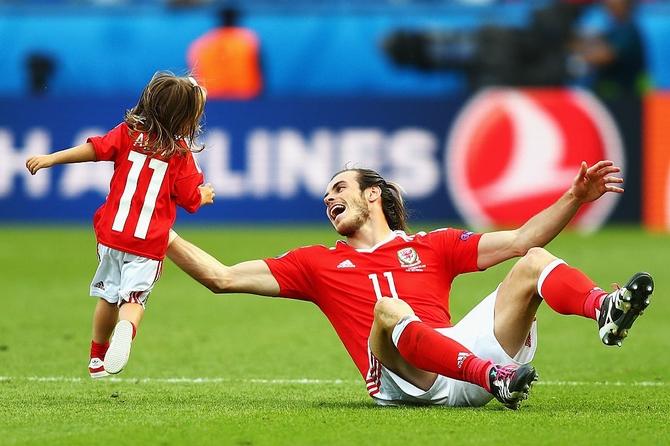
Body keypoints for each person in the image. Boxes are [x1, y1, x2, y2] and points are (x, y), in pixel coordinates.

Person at [165, 161, 653, 409]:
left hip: (455, 360)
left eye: (339, 188)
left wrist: (574, 196)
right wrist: (159, 233)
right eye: (327, 194)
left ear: (371, 195)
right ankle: (494, 376)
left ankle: (603, 308)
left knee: (534, 260)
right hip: (401, 378)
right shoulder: (315, 263)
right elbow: (220, 277)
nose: (327, 198)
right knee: (390, 309)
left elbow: (525, 237)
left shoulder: (433, 246)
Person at [25, 72, 215, 379]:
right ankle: (126, 329)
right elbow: (189, 199)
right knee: (133, 300)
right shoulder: (182, 155)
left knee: (107, 296)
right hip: (148, 242)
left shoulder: (129, 133)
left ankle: (96, 357)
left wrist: (51, 159)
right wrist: (204, 196)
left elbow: (95, 150)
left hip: (111, 236)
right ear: (186, 119)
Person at [187, 6, 263, 100]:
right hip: (245, 97)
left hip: (210, 98)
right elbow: (260, 68)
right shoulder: (249, 40)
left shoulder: (201, 43)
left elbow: (192, 75)